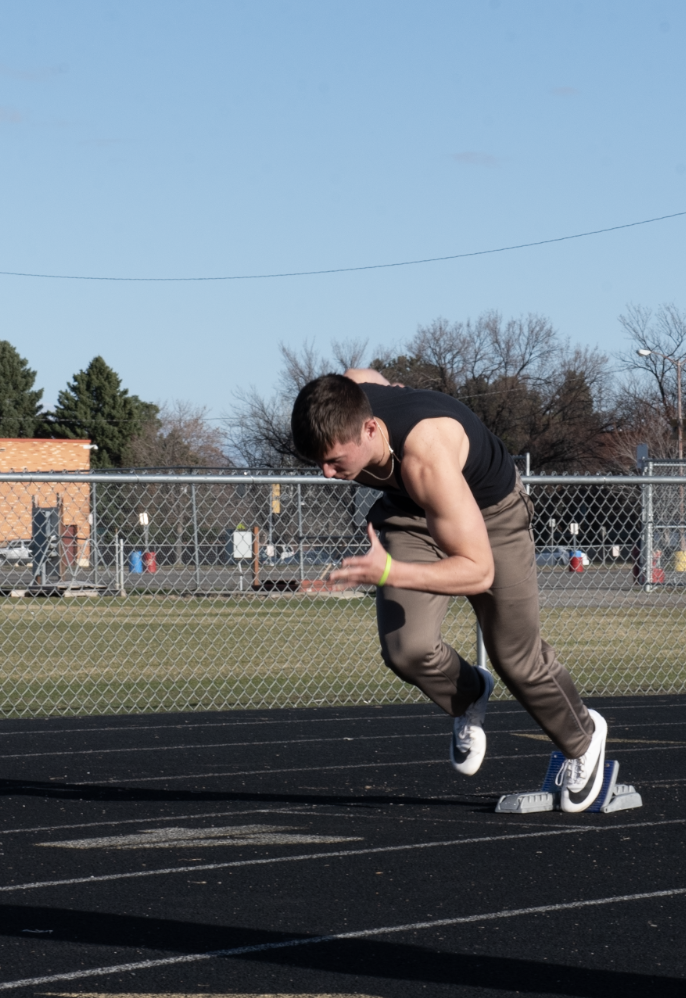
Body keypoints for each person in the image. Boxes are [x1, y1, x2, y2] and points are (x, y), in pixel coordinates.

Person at [291, 370, 608, 813]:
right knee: (407, 648)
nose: (327, 474)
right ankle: (468, 693)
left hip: (489, 513)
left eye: (336, 461)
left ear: (369, 428)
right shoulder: (349, 396)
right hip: (410, 512)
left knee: (515, 657)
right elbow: (363, 376)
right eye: (319, 463)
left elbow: (476, 572)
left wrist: (389, 571)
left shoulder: (426, 455)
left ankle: (583, 739)